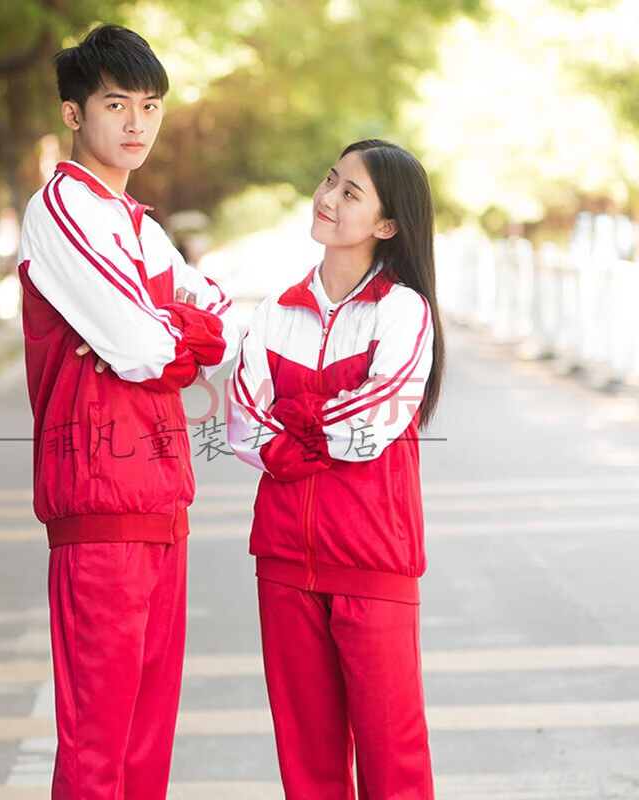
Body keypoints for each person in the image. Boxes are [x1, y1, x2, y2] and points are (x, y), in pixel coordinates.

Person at [17, 24, 238, 800]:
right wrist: (177, 330)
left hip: (162, 498)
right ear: (75, 114)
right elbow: (144, 347)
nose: (137, 124)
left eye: (150, 107)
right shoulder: (63, 210)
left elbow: (217, 315)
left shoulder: (138, 225)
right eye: (117, 105)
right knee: (98, 746)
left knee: (146, 745)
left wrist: (173, 326)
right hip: (100, 502)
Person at [228, 139, 444, 799]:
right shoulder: (273, 313)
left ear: (386, 225)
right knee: (308, 767)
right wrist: (317, 426)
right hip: (285, 562)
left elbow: (373, 426)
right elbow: (240, 423)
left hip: (373, 561)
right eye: (330, 181)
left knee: (393, 765)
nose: (328, 198)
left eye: (351, 193)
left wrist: (292, 426)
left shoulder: (402, 311)